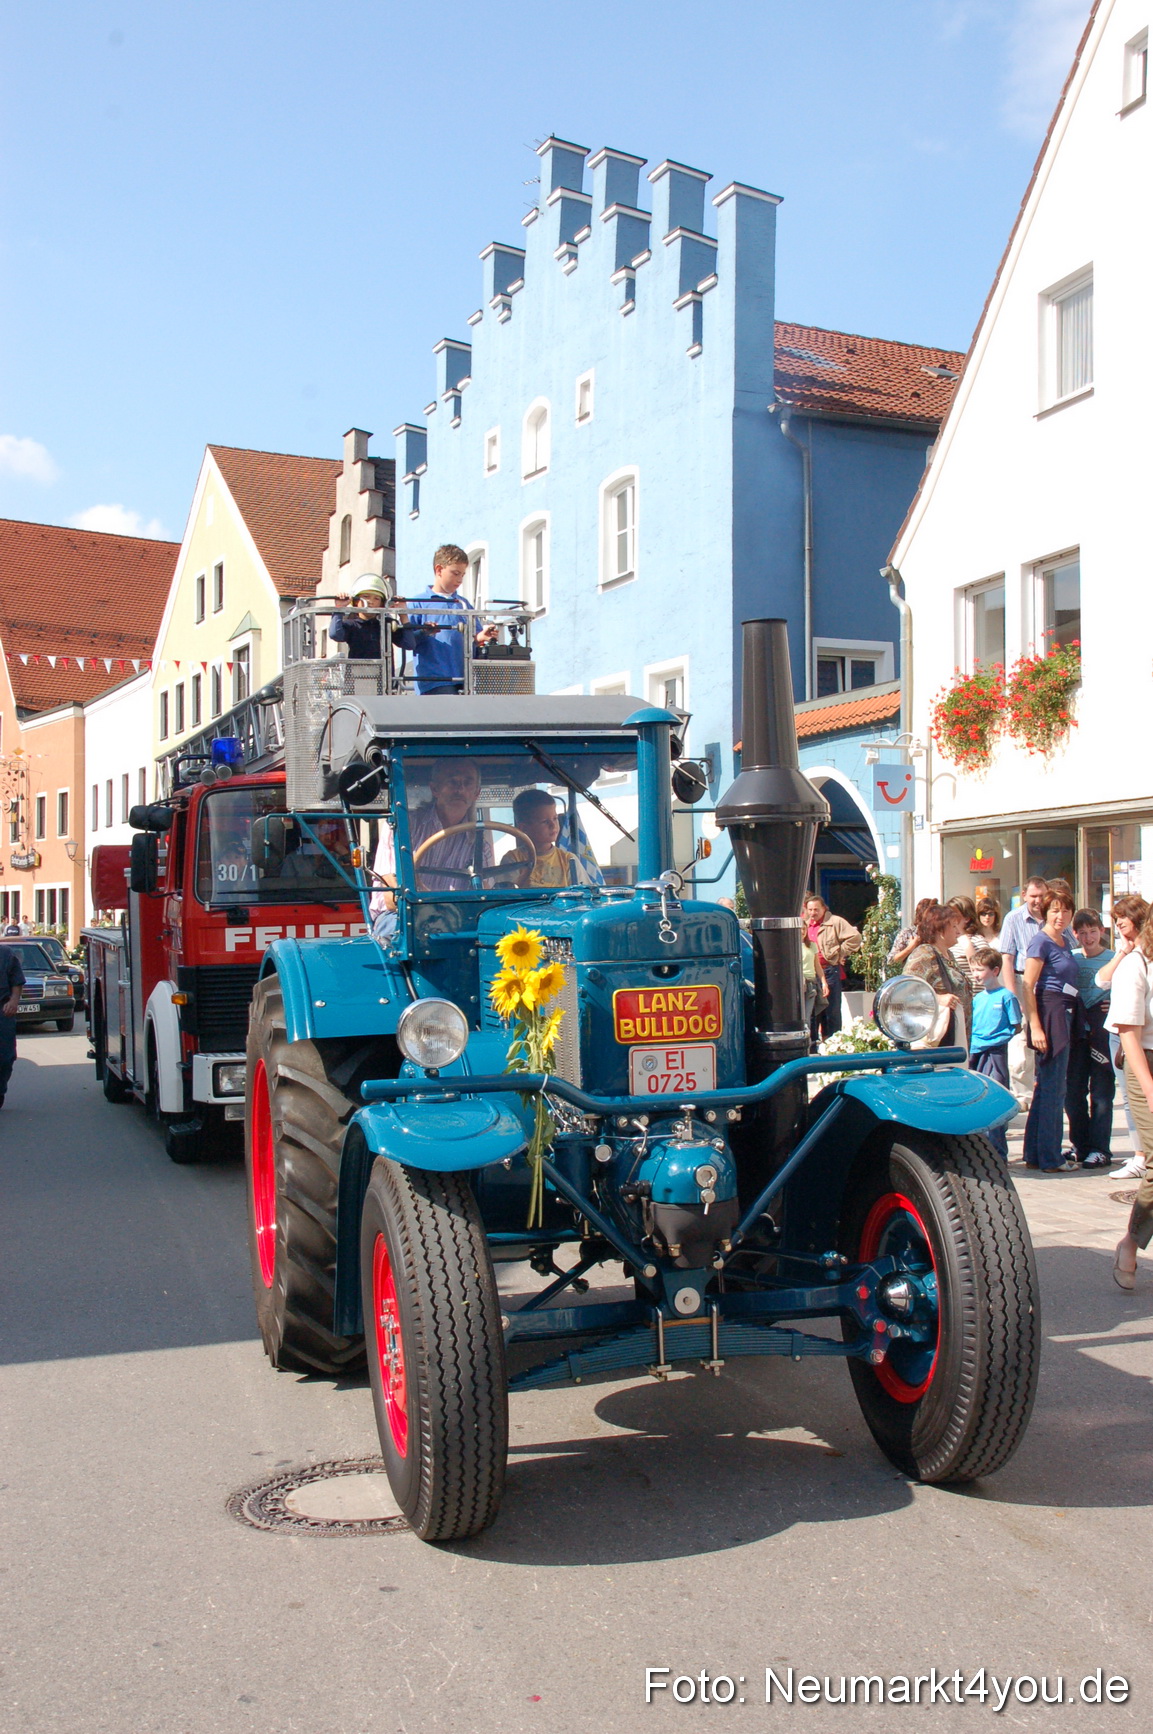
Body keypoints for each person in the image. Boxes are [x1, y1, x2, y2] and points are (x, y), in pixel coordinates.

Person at [370, 757, 494, 906]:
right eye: (452, 782)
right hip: (401, 914)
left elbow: (485, 897)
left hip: (457, 915)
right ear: (435, 789)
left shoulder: (480, 846)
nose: (460, 790)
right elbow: (391, 896)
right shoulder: (402, 826)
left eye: (467, 783)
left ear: (477, 793)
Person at [999, 877, 1074, 1108]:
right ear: (1024, 895)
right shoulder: (1014, 918)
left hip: (1052, 987)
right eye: (1033, 896)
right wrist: (1013, 996)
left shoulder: (1056, 921)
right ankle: (1023, 1096)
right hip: (1024, 979)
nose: (1037, 901)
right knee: (1023, 1040)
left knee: (1045, 1050)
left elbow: (1073, 947)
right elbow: (1007, 958)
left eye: (1041, 896)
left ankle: (1041, 1094)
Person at [1108, 903, 1153, 1289]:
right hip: (1145, 1064)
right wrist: (1150, 1089)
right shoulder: (1134, 966)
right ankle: (1131, 1242)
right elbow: (1128, 1034)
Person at [1020, 887, 1079, 1171]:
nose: (1061, 916)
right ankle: (1051, 1157)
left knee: (1047, 1088)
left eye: (1066, 911)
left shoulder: (1064, 940)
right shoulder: (1040, 941)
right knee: (1054, 1088)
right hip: (1050, 1011)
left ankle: (1036, 1154)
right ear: (1045, 912)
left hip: (1065, 1010)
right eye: (1055, 910)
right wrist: (1036, 1026)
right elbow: (1027, 985)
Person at [393, 544, 498, 694]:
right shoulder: (418, 603)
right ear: (439, 570)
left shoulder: (463, 604)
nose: (460, 580)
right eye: (455, 573)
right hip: (434, 681)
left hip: (465, 678)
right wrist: (424, 632)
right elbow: (408, 642)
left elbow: (473, 639)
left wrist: (481, 637)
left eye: (463, 575)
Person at [1097, 895, 1150, 1179]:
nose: (1118, 926)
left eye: (1122, 920)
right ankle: (1140, 1154)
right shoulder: (1130, 960)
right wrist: (1122, 953)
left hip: (1138, 1035)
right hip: (1124, 1037)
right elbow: (1101, 980)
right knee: (1131, 1096)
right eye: (1116, 921)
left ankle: (1142, 1154)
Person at [1065, 908, 1116, 1169]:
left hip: (1102, 1033)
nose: (1088, 938)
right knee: (1073, 1092)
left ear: (1102, 931)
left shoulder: (1114, 958)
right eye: (1082, 933)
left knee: (1101, 1092)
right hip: (1076, 1032)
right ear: (1075, 934)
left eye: (1093, 932)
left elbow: (1128, 988)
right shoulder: (1072, 957)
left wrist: (1115, 1003)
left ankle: (1100, 1149)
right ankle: (1080, 1145)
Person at [967, 946, 1020, 1158]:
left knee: (996, 1098)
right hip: (975, 1051)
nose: (976, 975)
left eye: (980, 970)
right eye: (973, 970)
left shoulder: (1006, 996)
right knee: (977, 1099)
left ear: (995, 971)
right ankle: (981, 1151)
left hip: (995, 1052)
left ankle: (998, 1153)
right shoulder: (977, 999)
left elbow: (1016, 1025)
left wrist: (998, 1038)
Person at [902, 904, 972, 1049]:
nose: (958, 931)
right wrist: (938, 998)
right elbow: (905, 990)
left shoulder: (948, 954)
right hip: (938, 1041)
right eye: (953, 926)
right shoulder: (924, 953)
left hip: (955, 1036)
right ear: (941, 930)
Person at [803, 894, 863, 1042]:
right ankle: (813, 1044)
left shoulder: (835, 922)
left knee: (831, 1010)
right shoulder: (805, 924)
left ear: (824, 908)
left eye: (816, 909)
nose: (813, 913)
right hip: (810, 972)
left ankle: (832, 1042)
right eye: (810, 910)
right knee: (812, 1011)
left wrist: (840, 952)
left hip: (829, 970)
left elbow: (855, 938)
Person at [505, 789, 591, 888]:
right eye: (545, 821)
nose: (553, 825)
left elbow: (584, 892)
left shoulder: (569, 860)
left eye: (555, 818)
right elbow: (508, 894)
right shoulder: (513, 860)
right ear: (524, 828)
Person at [329, 575, 389, 659]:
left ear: (382, 604)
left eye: (376, 598)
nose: (371, 601)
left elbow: (407, 643)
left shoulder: (387, 625)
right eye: (366, 597)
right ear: (356, 601)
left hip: (384, 668)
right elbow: (335, 634)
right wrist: (339, 608)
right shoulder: (352, 625)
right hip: (357, 668)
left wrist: (403, 614)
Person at [0, 940, 26, 1108]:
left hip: (3, 1011)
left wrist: (14, 1001)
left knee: (5, 1057)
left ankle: (0, 1089)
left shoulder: (5, 954)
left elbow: (17, 981)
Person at [887, 897, 934, 971]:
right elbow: (891, 962)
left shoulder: (939, 935)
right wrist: (910, 947)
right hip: (912, 976)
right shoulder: (908, 933)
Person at [948, 895, 983, 988]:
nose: (950, 918)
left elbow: (984, 972)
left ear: (967, 918)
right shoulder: (948, 941)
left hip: (974, 993)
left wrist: (968, 946)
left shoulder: (977, 941)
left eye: (954, 915)